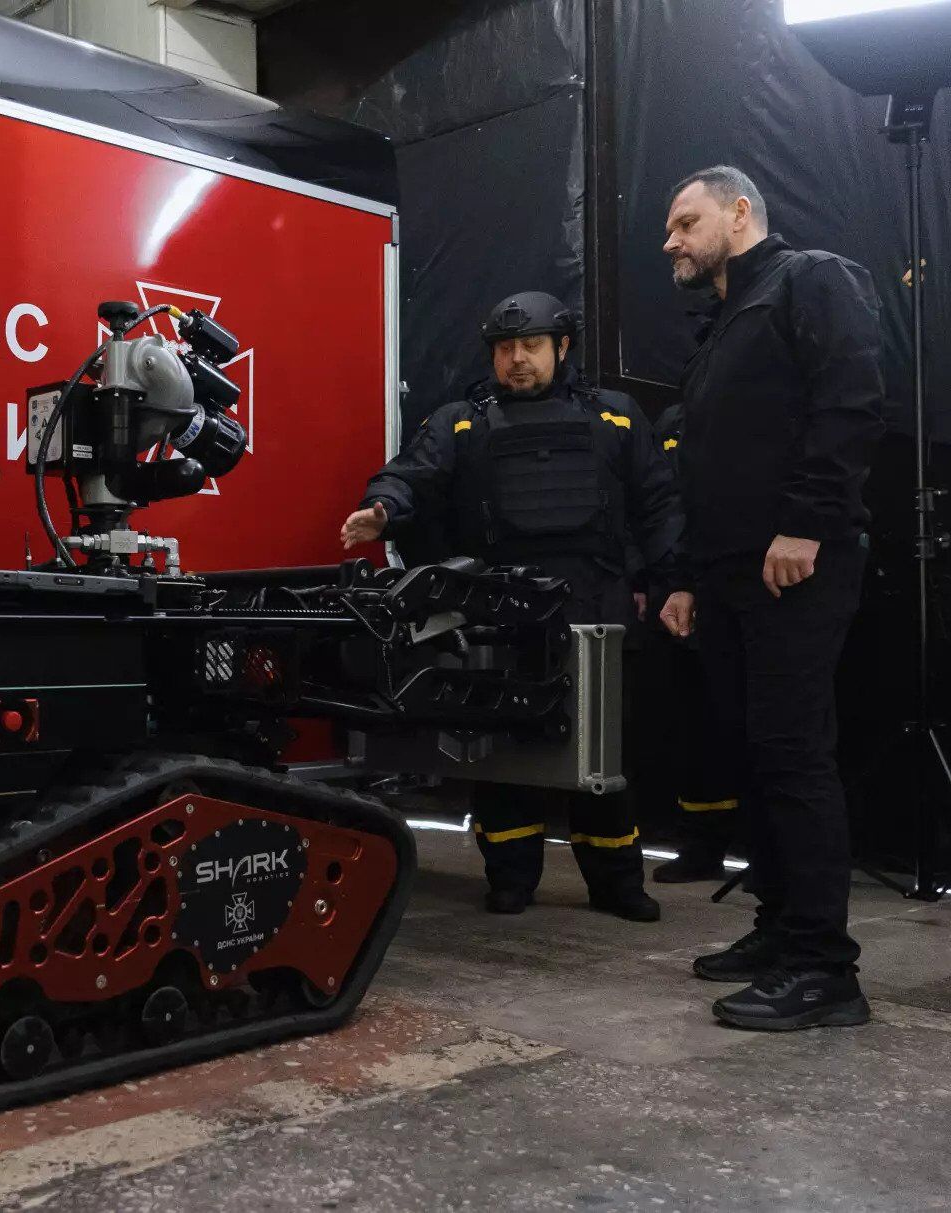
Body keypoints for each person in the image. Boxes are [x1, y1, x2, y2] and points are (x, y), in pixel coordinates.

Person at [341, 292, 690, 923]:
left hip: (595, 609)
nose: (517, 360)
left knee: (602, 753)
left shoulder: (615, 416)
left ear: (562, 347)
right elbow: (412, 473)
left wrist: (675, 584)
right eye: (505, 349)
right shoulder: (461, 421)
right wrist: (383, 508)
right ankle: (510, 878)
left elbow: (659, 504)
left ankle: (617, 883)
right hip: (500, 611)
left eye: (531, 346)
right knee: (500, 752)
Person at [657, 165, 885, 1030]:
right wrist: (686, 574)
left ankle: (825, 970)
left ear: (740, 210)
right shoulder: (721, 324)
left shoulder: (811, 278)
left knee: (792, 753)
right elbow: (703, 467)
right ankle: (781, 926)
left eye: (686, 222)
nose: (671, 241)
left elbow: (849, 403)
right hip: (727, 574)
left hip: (794, 563)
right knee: (753, 752)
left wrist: (807, 525)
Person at [647, 402, 741, 883]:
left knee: (763, 725)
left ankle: (773, 853)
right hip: (684, 584)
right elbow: (658, 504)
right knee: (696, 724)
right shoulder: (673, 422)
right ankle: (703, 847)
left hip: (755, 583)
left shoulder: (772, 407)